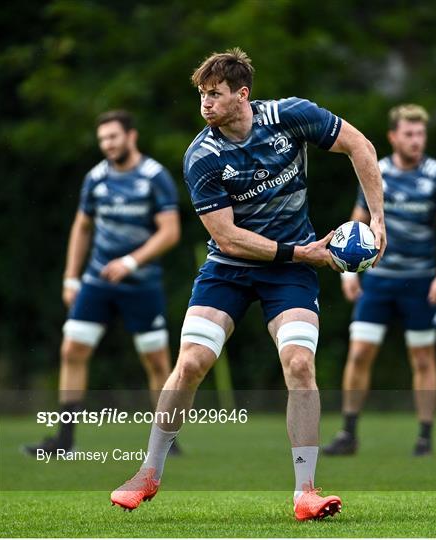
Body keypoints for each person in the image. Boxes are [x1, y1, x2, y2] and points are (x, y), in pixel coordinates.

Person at [110, 48, 386, 521]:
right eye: (201, 95)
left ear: (242, 95)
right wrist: (304, 252)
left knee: (299, 364)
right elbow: (228, 237)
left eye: (214, 94)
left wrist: (379, 220)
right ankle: (148, 472)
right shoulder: (202, 155)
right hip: (231, 267)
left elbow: (360, 145)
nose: (206, 104)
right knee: (192, 361)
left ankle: (306, 491)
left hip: (290, 270)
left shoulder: (291, 117)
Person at [25, 110, 181, 455]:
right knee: (72, 350)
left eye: (113, 137)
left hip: (141, 284)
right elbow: (82, 227)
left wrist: (131, 261)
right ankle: (64, 441)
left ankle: (167, 441)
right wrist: (70, 277)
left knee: (156, 362)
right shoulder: (96, 178)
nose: (107, 145)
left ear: (131, 136)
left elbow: (170, 232)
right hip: (97, 282)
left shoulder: (154, 177)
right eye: (102, 140)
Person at [323, 104, 436, 457]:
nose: (416, 141)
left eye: (421, 134)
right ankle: (348, 433)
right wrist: (349, 274)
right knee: (359, 353)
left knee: (423, 358)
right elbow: (356, 222)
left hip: (420, 281)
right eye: (409, 134)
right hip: (379, 281)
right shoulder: (377, 171)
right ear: (393, 137)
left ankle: (425, 438)